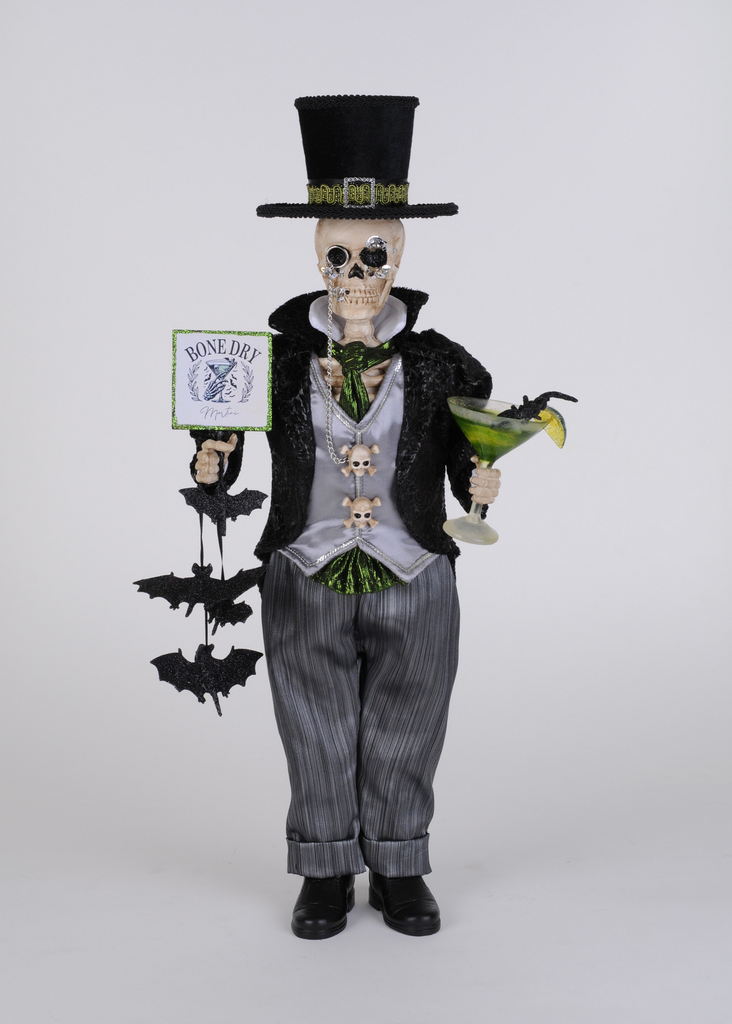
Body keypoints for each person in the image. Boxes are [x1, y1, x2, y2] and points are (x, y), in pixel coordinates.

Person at [195, 97, 500, 940]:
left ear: (397, 259)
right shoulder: (274, 360)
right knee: (313, 722)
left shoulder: (442, 363)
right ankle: (325, 867)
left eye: (373, 254)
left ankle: (400, 865)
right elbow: (230, 437)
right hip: (305, 564)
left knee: (410, 718)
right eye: (339, 254)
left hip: (415, 565)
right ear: (316, 257)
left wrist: (479, 484)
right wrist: (213, 461)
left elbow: (466, 450)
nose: (355, 270)